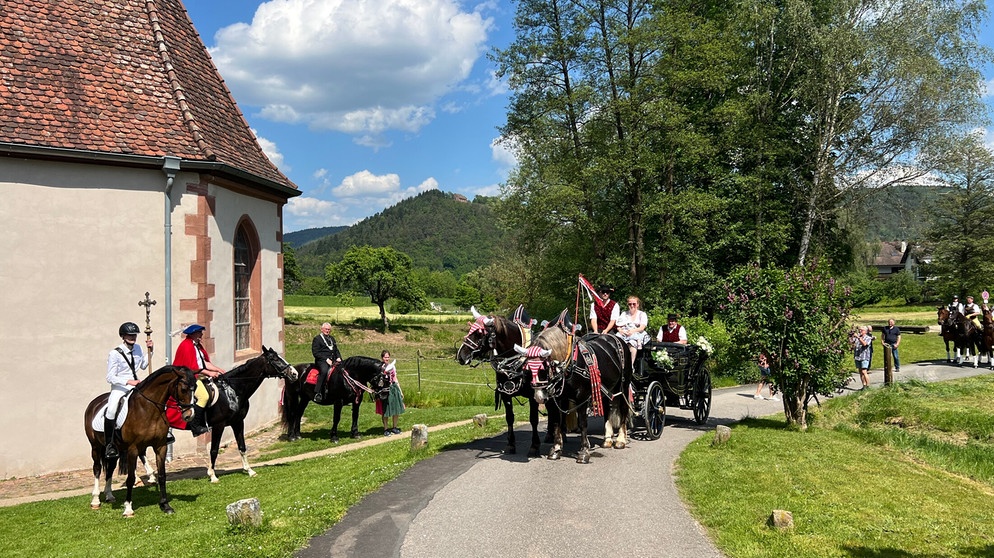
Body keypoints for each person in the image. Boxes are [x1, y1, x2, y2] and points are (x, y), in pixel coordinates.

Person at [103, 322, 153, 458]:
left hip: (136, 384)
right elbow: (110, 377)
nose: (132, 337)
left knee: (152, 400)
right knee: (112, 409)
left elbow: (143, 365)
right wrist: (128, 381)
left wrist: (150, 351)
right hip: (120, 387)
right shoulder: (114, 353)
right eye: (129, 335)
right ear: (123, 336)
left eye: (134, 335)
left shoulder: (137, 348)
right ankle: (110, 444)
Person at [172, 324, 222, 436]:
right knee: (203, 396)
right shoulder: (186, 346)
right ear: (193, 334)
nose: (201, 335)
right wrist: (209, 373)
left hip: (199, 375)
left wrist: (219, 370)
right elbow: (192, 368)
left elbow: (205, 363)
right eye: (199, 333)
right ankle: (196, 426)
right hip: (189, 377)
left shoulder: (197, 346)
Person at [312, 322, 342, 403]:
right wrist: (326, 359)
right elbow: (316, 353)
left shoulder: (332, 339)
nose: (327, 331)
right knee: (324, 371)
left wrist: (339, 357)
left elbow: (336, 350)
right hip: (322, 361)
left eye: (329, 329)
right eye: (326, 329)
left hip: (333, 360)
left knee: (343, 371)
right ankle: (317, 393)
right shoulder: (317, 339)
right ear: (322, 329)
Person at [376, 350, 405, 436]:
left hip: (393, 388)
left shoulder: (392, 367)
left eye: (388, 357)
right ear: (382, 358)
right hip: (385, 390)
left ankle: (394, 427)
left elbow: (395, 379)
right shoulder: (380, 367)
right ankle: (386, 429)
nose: (387, 359)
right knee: (385, 410)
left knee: (396, 409)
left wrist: (400, 391)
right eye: (385, 357)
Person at [852, 325, 873, 390]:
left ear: (865, 331)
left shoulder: (868, 338)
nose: (860, 331)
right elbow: (852, 343)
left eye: (862, 330)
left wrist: (858, 337)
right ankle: (864, 385)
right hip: (858, 356)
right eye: (859, 330)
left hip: (864, 357)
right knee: (860, 371)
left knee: (864, 371)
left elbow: (864, 344)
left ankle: (868, 385)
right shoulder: (858, 337)